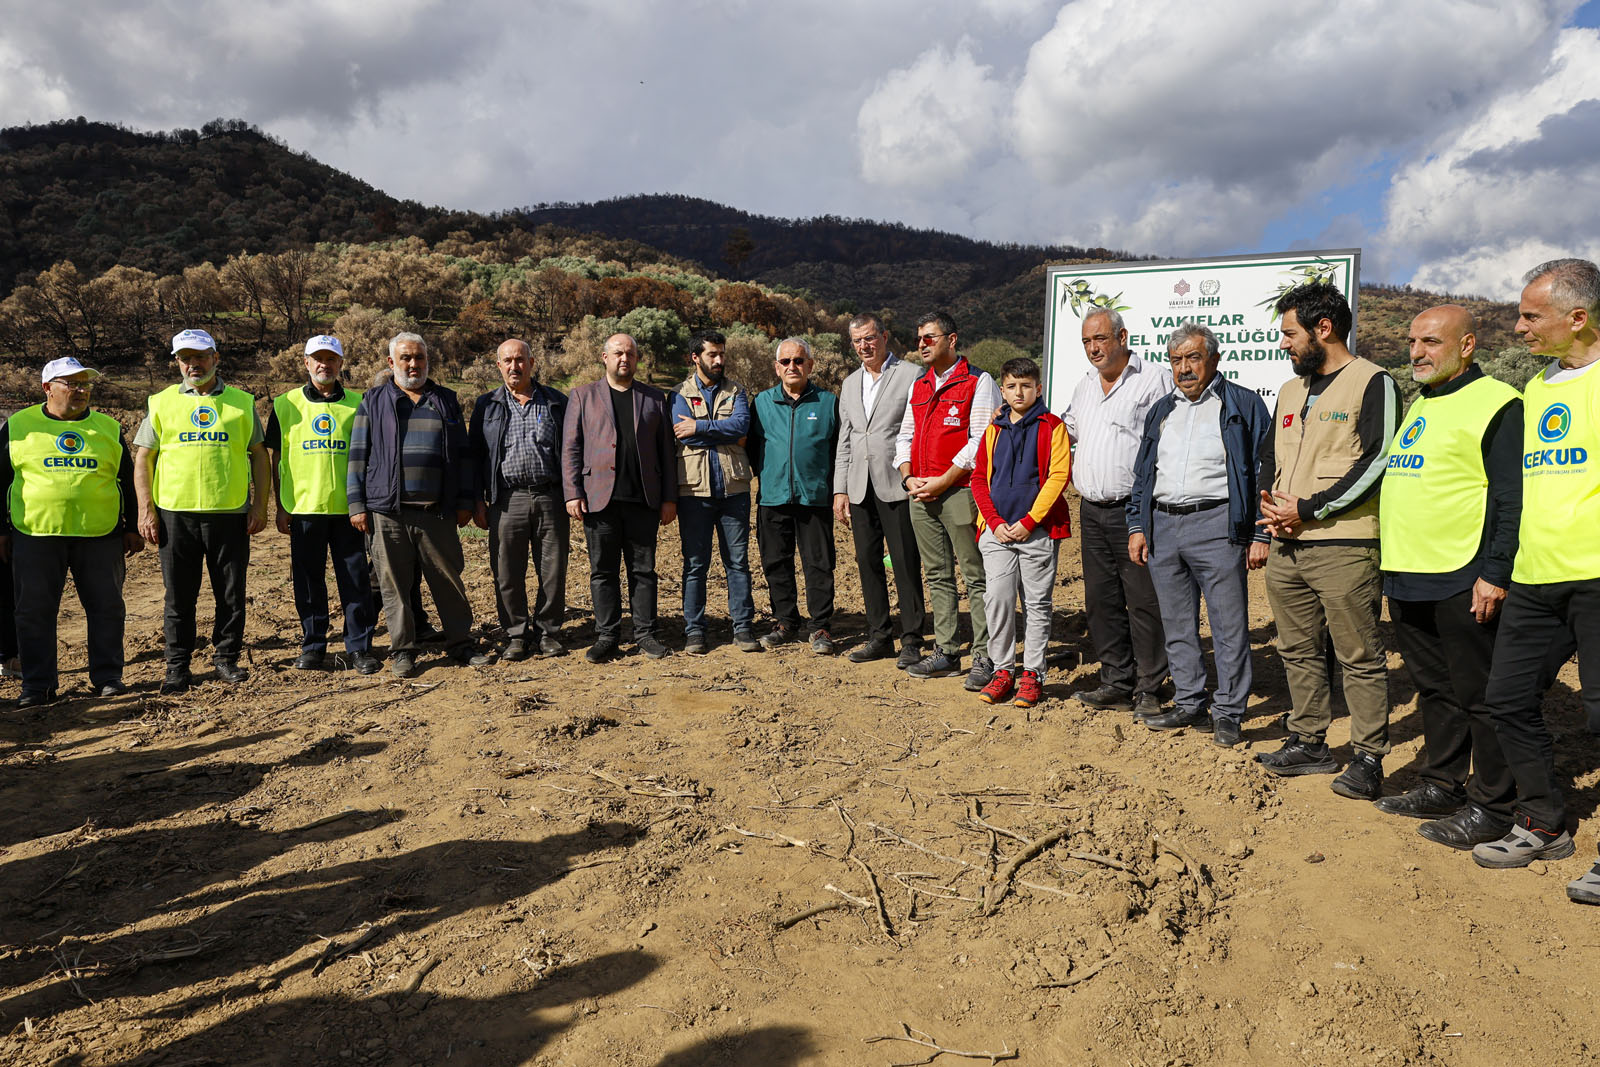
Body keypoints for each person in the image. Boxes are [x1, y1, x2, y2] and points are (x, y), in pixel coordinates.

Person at [1371, 305, 1554, 849]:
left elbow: (1509, 497)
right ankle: (1441, 783)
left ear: (1468, 345)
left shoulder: (1499, 402)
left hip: (1461, 573)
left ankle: (1493, 806)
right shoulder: (1421, 402)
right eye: (1411, 342)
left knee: (1480, 696)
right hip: (1407, 573)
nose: (1417, 352)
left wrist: (1495, 573)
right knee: (1434, 689)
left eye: (1430, 341)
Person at [1469, 259, 1600, 905]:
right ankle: (1542, 820)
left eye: (1529, 315)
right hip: (1536, 578)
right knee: (1509, 699)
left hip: (1596, 578)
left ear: (1577, 317)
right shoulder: (1541, 388)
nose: (1517, 326)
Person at [1255, 282, 1402, 800]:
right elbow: (1272, 456)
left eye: (1290, 334)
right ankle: (1309, 739)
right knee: (1297, 648)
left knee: (1358, 654)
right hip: (1285, 543)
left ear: (1324, 328)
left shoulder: (1373, 382)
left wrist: (1311, 509)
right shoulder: (1290, 390)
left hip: (1343, 544)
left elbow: (1378, 462)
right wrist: (1269, 508)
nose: (1283, 345)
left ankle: (1367, 756)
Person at [1126, 322, 1271, 747]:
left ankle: (1228, 711)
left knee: (1229, 624)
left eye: (1193, 358)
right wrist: (1138, 525)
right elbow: (1143, 473)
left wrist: (1260, 532)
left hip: (1217, 524)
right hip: (1164, 525)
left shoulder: (1242, 404)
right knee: (1177, 623)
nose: (1184, 368)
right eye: (1176, 360)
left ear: (1214, 359)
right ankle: (1189, 700)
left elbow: (1265, 466)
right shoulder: (1161, 410)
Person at [133, 329, 270, 694]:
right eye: (185, 358)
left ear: (216, 358)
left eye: (201, 356)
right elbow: (144, 458)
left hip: (229, 514)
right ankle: (177, 666)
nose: (193, 364)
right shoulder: (160, 402)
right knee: (179, 596)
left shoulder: (242, 402)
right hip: (176, 515)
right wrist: (146, 510)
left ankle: (226, 658)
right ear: (178, 362)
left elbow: (258, 454)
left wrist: (259, 505)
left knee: (230, 593)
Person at [0, 356, 142, 705]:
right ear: (48, 388)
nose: (81, 390)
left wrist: (133, 524)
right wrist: (1, 529)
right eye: (71, 383)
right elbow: (0, 479)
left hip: (100, 534)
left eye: (85, 384)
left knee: (107, 607)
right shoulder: (19, 425)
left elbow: (126, 478)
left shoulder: (107, 427)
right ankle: (37, 685)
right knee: (33, 611)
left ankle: (108, 677)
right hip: (35, 533)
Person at [346, 332, 487, 678]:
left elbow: (464, 456)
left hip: (437, 511)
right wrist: (356, 504)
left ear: (427, 361)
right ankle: (403, 651)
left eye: (419, 358)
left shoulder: (446, 400)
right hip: (386, 511)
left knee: (448, 580)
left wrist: (466, 499)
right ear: (391, 363)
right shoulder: (373, 401)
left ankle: (461, 644)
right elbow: (358, 455)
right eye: (406, 358)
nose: (413, 364)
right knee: (393, 586)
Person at [1061, 309, 1172, 716]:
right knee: (1101, 601)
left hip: (1135, 509)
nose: (1093, 348)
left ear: (1122, 336)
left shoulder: (1154, 378)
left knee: (1143, 601)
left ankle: (1150, 687)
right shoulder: (1085, 386)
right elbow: (1067, 431)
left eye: (1101, 339)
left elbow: (1169, 435)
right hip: (1091, 509)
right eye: (1087, 342)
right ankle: (1116, 681)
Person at [895, 312, 1000, 688]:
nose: (922, 344)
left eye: (930, 337)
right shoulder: (919, 384)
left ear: (951, 340)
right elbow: (904, 435)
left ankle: (986, 655)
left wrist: (942, 481)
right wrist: (909, 477)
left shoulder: (978, 381)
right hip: (920, 493)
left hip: (960, 492)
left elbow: (981, 441)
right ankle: (947, 651)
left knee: (976, 576)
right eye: (919, 338)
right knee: (938, 575)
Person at [267, 335, 380, 674]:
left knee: (355, 580)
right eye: (317, 358)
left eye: (331, 359)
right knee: (308, 582)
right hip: (304, 509)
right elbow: (277, 459)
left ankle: (359, 648)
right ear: (305, 362)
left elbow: (371, 456)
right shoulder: (284, 404)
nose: (324, 364)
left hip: (349, 510)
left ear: (340, 364)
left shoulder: (360, 403)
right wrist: (281, 506)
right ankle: (313, 646)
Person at [562, 333, 677, 663]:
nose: (624, 358)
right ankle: (607, 635)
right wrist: (572, 492)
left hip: (643, 501)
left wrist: (669, 498)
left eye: (629, 353)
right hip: (599, 500)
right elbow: (571, 448)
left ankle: (645, 633)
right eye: (617, 353)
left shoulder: (654, 398)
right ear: (604, 357)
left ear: (637, 359)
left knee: (643, 571)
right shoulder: (582, 396)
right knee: (603, 571)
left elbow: (666, 453)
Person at [969, 357, 1072, 708]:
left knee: (1037, 604)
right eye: (1011, 386)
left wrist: (1029, 521)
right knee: (997, 599)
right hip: (996, 533)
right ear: (1002, 389)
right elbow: (978, 479)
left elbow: (1059, 477)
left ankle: (1032, 673)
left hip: (1038, 532)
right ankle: (1002, 671)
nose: (1019, 392)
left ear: (1038, 389)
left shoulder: (1052, 427)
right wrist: (995, 523)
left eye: (1026, 385)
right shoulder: (993, 429)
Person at [833, 313, 927, 667]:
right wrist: (840, 489)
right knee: (867, 562)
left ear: (885, 336)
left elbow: (918, 431)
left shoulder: (910, 375)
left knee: (904, 562)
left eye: (869, 338)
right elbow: (846, 439)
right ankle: (879, 636)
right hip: (858, 487)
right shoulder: (850, 383)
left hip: (896, 484)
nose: (864, 346)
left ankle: (913, 639)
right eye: (857, 341)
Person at [469, 339, 570, 661]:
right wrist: (477, 500)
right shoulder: (487, 406)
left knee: (552, 571)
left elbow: (571, 452)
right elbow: (475, 457)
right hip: (506, 500)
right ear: (498, 365)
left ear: (532, 362)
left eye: (520, 360)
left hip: (549, 496)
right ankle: (515, 634)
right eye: (508, 361)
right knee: (507, 573)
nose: (515, 366)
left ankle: (548, 633)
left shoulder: (556, 401)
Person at [670, 330, 759, 655]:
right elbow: (684, 435)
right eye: (712, 355)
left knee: (738, 562)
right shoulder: (679, 393)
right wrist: (716, 434)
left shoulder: (737, 391)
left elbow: (740, 427)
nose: (719, 360)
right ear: (695, 357)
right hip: (693, 491)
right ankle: (694, 631)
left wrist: (701, 426)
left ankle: (743, 628)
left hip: (734, 489)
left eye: (722, 354)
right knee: (695, 565)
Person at [749, 338, 841, 652]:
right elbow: (752, 449)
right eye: (786, 362)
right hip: (773, 497)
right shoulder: (761, 402)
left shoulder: (828, 403)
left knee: (818, 564)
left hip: (814, 497)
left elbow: (839, 450)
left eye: (799, 361)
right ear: (776, 367)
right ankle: (785, 621)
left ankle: (820, 628)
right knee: (776, 562)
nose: (792, 367)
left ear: (810, 366)